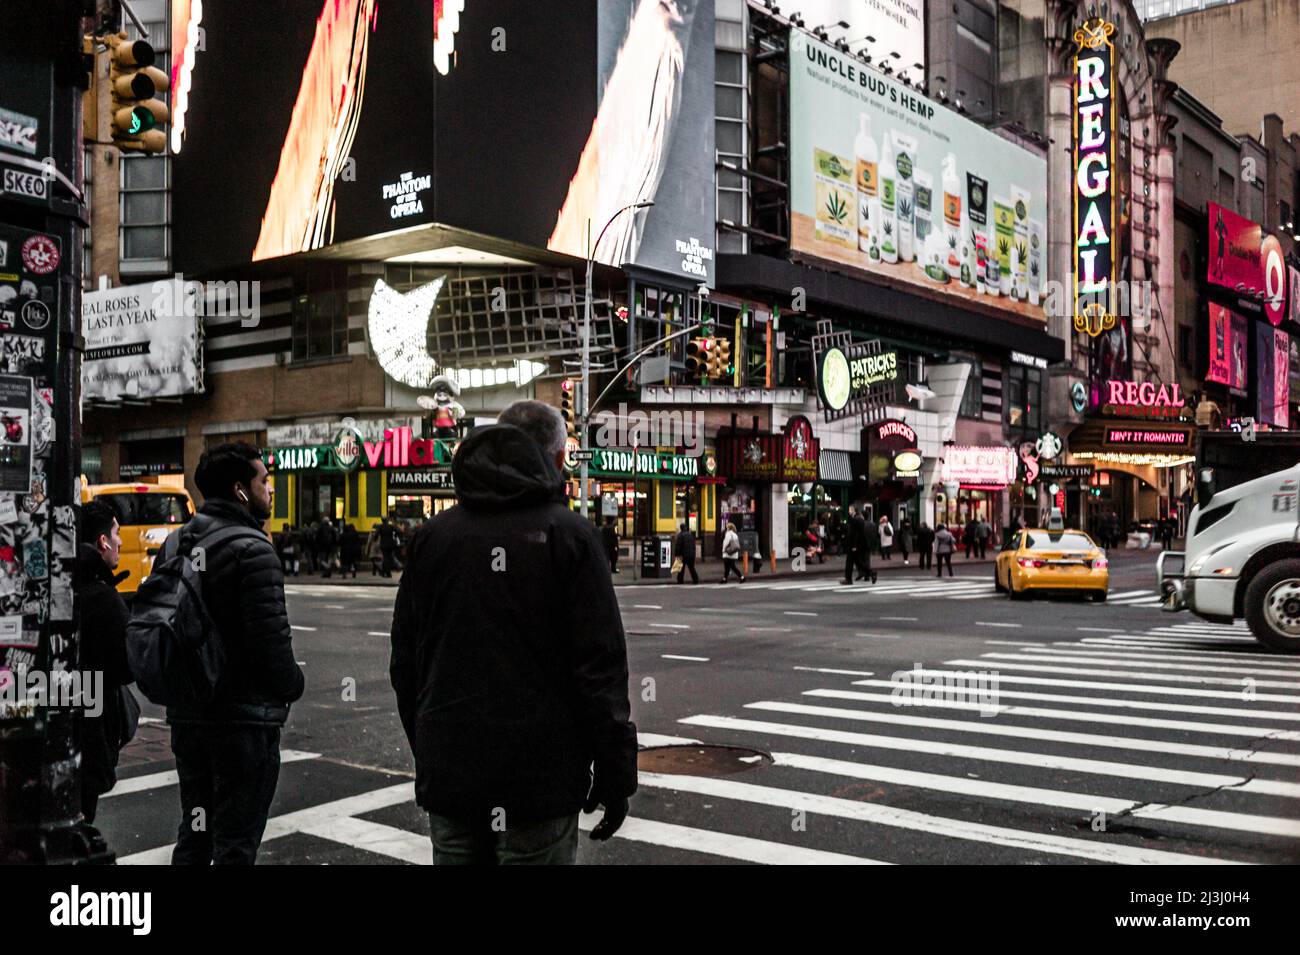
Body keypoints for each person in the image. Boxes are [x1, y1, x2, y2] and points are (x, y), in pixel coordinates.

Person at [389, 400, 636, 864]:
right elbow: (599, 672)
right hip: (539, 783)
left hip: (453, 777)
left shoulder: (433, 538)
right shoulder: (571, 537)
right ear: (558, 458)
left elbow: (406, 664)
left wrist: (430, 748)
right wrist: (615, 773)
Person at [168, 442, 305, 865]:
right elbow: (272, 645)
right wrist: (292, 686)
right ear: (240, 490)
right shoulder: (254, 550)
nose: (272, 489)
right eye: (264, 480)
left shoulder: (176, 542)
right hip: (242, 722)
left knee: (195, 834)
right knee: (236, 845)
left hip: (188, 717)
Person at [77, 500, 138, 825]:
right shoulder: (102, 597)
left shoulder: (61, 582)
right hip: (92, 728)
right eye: (116, 534)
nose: (120, 542)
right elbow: (128, 664)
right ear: (102, 542)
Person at [842, 505, 867, 585]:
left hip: (853, 545)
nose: (849, 511)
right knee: (857, 562)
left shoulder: (855, 519)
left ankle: (848, 579)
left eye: (850, 510)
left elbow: (855, 534)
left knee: (849, 562)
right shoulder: (859, 519)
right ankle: (870, 573)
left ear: (853, 510)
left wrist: (854, 546)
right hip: (855, 544)